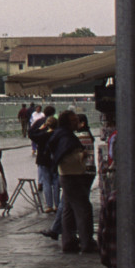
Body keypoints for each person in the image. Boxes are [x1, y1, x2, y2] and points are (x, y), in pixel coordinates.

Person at [50, 108, 97, 253]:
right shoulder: (66, 137)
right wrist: (81, 156)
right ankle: (87, 242)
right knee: (83, 209)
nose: (77, 123)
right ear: (68, 123)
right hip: (72, 175)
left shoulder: (62, 135)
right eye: (74, 121)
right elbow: (66, 157)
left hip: (66, 175)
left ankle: (69, 241)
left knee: (69, 210)